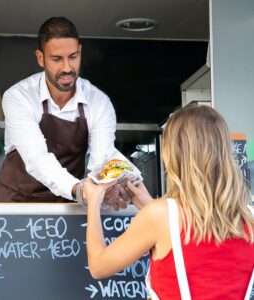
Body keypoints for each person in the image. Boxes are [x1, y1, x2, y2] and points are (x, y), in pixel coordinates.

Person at [84, 105, 254, 299]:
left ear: (175, 154)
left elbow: (98, 267)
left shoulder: (159, 216)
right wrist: (150, 204)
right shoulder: (250, 217)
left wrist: (93, 202)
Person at [0, 17, 128, 206]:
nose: (67, 68)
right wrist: (78, 189)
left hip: (64, 208)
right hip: (13, 205)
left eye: (73, 57)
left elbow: (100, 162)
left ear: (80, 52)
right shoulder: (18, 96)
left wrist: (106, 188)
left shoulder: (99, 102)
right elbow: (36, 157)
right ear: (40, 58)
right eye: (56, 59)